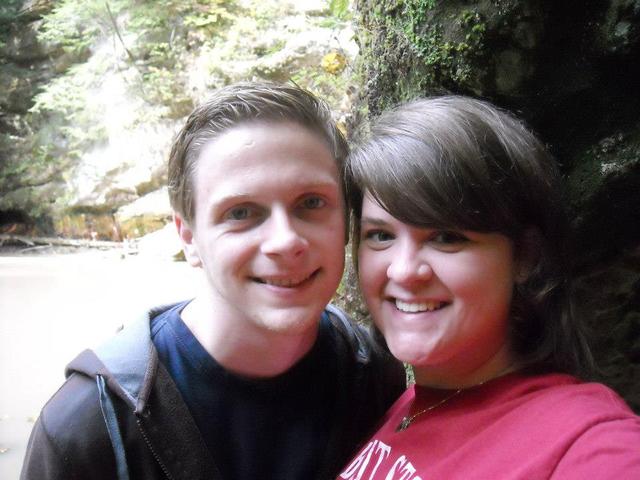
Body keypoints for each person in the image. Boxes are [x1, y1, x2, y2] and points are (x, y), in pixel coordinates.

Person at [21, 82, 405, 480]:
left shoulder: (377, 379)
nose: (285, 241)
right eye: (241, 212)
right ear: (189, 238)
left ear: (346, 220)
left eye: (311, 203)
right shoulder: (87, 430)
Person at [338, 95, 640, 479]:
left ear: (525, 256)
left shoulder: (587, 441)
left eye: (446, 237)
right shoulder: (409, 403)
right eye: (381, 235)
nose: (403, 271)